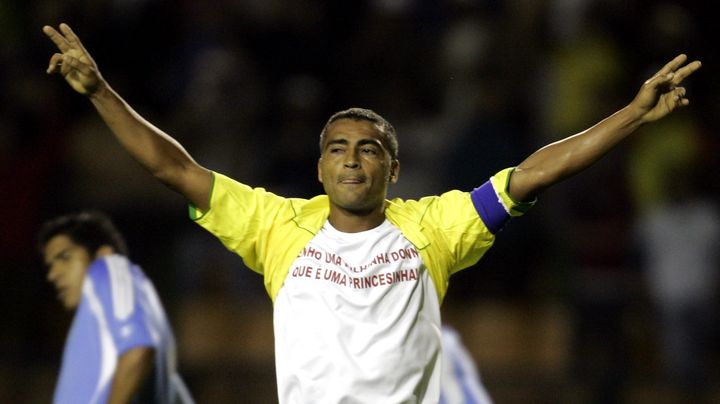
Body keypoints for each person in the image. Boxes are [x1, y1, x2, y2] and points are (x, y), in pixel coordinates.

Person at [42, 22, 700, 403]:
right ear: (320, 168)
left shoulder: (434, 227)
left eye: (369, 149)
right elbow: (172, 168)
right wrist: (100, 91)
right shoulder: (275, 225)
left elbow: (537, 172)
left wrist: (633, 114)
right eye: (337, 148)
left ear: (394, 170)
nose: (353, 159)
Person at [38, 210, 194, 404]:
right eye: (50, 265)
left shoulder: (107, 268)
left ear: (102, 253)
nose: (53, 274)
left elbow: (138, 349)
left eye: (65, 257)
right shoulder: (102, 326)